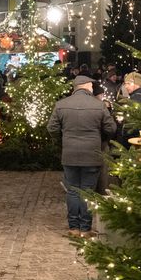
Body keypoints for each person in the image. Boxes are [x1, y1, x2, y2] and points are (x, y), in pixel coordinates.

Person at [47, 74, 118, 237]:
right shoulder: (99, 105)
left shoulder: (61, 105)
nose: (93, 88)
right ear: (86, 86)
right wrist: (101, 138)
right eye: (92, 86)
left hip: (69, 153)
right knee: (87, 190)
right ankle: (85, 229)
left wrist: (63, 139)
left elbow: (52, 128)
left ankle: (73, 228)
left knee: (72, 190)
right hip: (92, 154)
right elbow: (111, 128)